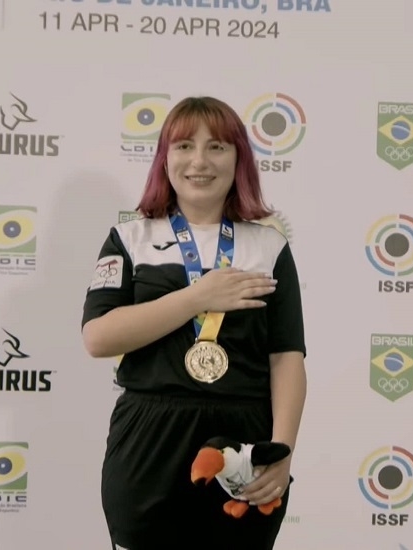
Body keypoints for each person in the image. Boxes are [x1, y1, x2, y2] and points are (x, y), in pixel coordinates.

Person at [81, 96, 307, 550]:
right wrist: (197, 297)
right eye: (184, 146)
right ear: (164, 159)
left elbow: (286, 359)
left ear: (239, 159)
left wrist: (282, 452)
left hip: (242, 442)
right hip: (148, 438)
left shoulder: (268, 247)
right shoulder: (130, 239)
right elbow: (98, 337)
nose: (199, 161)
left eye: (217, 147)